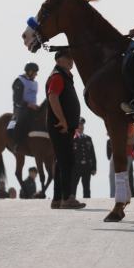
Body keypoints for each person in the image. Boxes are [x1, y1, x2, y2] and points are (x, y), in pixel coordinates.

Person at [46, 49, 85, 209]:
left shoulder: (65, 76)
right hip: (60, 127)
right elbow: (53, 96)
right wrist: (62, 120)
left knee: (62, 161)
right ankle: (67, 198)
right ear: (59, 60)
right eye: (68, 58)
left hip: (66, 127)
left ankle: (57, 199)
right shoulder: (57, 76)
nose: (71, 61)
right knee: (66, 162)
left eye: (72, 58)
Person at [9, 63, 40, 145]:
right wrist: (28, 105)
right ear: (30, 72)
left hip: (33, 108)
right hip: (21, 108)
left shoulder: (34, 83)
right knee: (23, 121)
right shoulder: (19, 82)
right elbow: (17, 99)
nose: (36, 74)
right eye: (35, 72)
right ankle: (17, 143)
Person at [72, 118, 97, 199]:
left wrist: (94, 167)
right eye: (79, 125)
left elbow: (92, 154)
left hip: (87, 167)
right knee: (73, 186)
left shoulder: (88, 138)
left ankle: (87, 203)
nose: (81, 126)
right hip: (76, 167)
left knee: (87, 187)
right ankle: (72, 201)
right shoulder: (72, 139)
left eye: (82, 125)